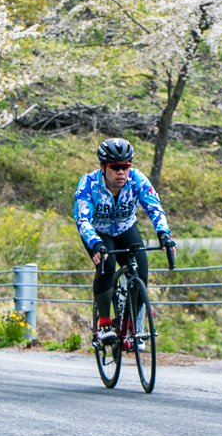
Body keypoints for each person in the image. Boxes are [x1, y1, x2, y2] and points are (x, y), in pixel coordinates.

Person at [74, 138, 177, 344]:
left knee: (141, 272)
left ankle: (130, 326)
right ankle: (104, 323)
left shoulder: (137, 180)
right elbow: (82, 219)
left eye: (126, 167)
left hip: (126, 229)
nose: (121, 172)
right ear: (103, 167)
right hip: (99, 233)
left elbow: (154, 207)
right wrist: (95, 243)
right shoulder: (89, 184)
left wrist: (164, 235)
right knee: (107, 265)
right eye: (115, 167)